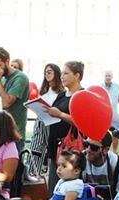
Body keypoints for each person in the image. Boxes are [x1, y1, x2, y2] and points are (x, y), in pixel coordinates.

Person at [45, 61, 82, 191]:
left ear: (77, 75)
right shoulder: (61, 95)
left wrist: (60, 114)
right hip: (55, 146)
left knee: (69, 189)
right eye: (62, 73)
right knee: (54, 187)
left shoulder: (82, 96)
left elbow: (82, 122)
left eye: (66, 73)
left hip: (71, 149)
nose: (62, 76)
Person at [0, 47, 29, 151]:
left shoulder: (20, 78)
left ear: (7, 61)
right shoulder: (1, 78)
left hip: (14, 135)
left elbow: (6, 102)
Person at [82, 132, 119, 200]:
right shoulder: (81, 159)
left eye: (94, 147)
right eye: (86, 144)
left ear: (106, 150)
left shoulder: (116, 163)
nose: (88, 150)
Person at [103, 70, 119, 152]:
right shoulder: (100, 86)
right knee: (102, 135)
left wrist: (113, 106)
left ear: (112, 77)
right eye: (107, 75)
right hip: (103, 116)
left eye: (109, 76)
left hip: (114, 115)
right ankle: (104, 151)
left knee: (115, 135)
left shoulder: (117, 86)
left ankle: (115, 152)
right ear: (104, 76)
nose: (108, 77)